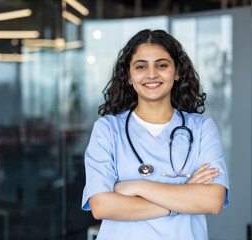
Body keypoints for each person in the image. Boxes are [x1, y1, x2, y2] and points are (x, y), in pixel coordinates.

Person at [81, 29, 229, 240]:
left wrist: (136, 186)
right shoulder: (107, 129)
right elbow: (102, 205)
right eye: (141, 66)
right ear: (129, 76)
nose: (151, 74)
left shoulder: (202, 128)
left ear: (177, 72)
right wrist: (180, 199)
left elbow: (212, 201)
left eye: (162, 65)